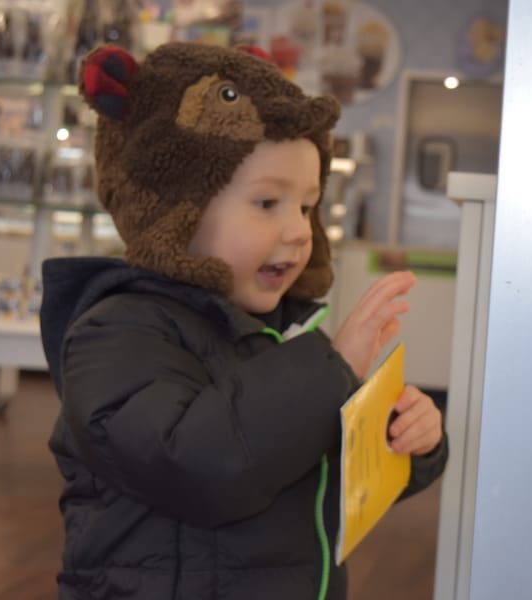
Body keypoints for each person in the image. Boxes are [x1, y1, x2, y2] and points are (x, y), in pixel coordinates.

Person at [40, 41, 448, 600]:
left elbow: (311, 469)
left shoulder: (277, 336)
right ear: (175, 209)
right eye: (267, 204)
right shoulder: (115, 333)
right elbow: (199, 465)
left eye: (306, 206)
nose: (299, 231)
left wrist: (402, 440)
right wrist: (330, 372)